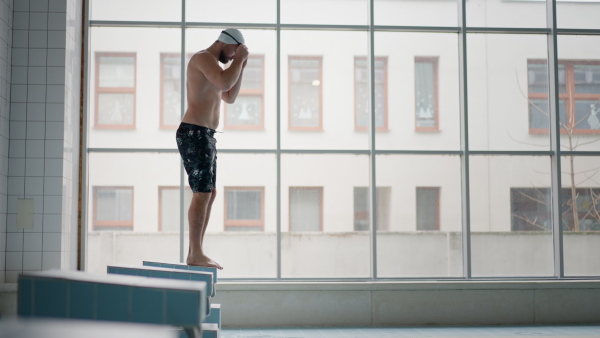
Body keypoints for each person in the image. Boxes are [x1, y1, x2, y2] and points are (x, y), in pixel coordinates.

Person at [176, 28, 249, 269]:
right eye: (234, 52)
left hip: (205, 134)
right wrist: (237, 61)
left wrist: (241, 67)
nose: (232, 57)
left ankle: (195, 252)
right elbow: (224, 80)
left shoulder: (217, 68)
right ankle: (195, 253)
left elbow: (229, 95)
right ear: (229, 44)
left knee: (210, 192)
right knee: (203, 192)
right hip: (194, 132)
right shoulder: (204, 58)